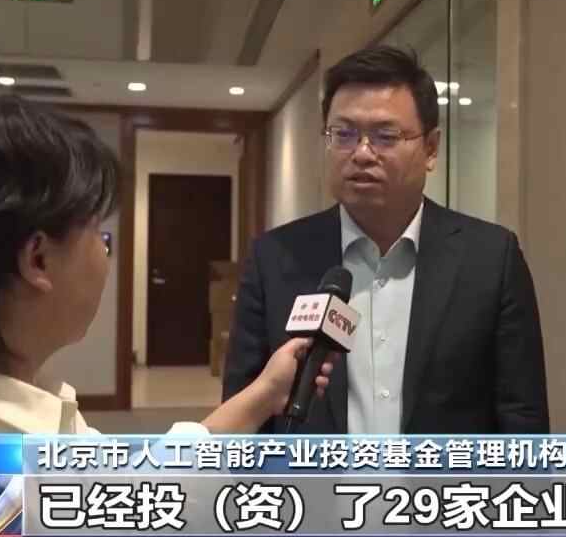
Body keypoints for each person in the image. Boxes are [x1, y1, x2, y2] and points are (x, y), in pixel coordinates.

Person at [0, 91, 333, 537]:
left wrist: (266, 392)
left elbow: (136, 485)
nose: (105, 254)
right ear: (39, 259)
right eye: (98, 233)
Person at [223, 46, 549, 434]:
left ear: (431, 148)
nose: (362, 154)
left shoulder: (491, 259)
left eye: (385, 136)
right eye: (343, 134)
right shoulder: (275, 257)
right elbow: (243, 417)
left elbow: (523, 423)